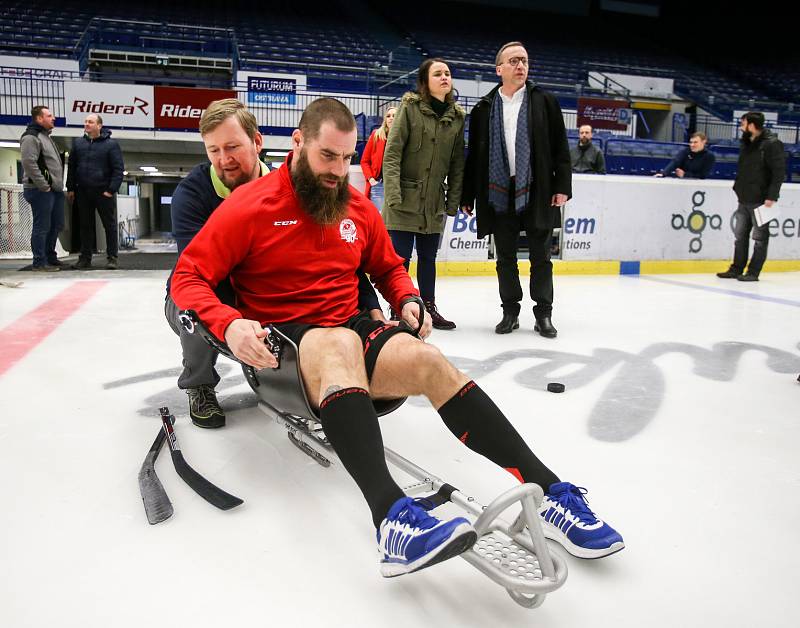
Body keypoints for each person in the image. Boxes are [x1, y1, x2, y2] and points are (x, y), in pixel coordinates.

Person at [171, 97, 623, 577]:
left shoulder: (354, 206)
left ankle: (550, 493)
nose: (338, 171)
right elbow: (188, 277)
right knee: (339, 342)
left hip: (348, 330)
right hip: (283, 350)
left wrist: (406, 297)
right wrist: (229, 322)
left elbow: (386, 266)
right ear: (298, 143)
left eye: (347, 159)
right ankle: (390, 517)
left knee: (428, 360)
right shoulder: (249, 206)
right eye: (328, 157)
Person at [165, 98, 385, 429]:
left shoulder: (298, 184)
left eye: (233, 147)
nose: (224, 160)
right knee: (192, 311)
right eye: (213, 150)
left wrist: (369, 305)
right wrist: (236, 324)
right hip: (221, 288)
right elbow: (200, 277)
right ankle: (198, 382)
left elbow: (344, 256)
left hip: (266, 288)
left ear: (257, 142)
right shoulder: (191, 196)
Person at [461, 42, 571, 338]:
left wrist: (562, 186)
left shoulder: (544, 101)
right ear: (499, 70)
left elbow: (560, 145)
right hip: (498, 192)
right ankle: (510, 312)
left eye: (524, 60)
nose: (520, 66)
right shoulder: (484, 108)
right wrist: (467, 195)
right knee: (505, 257)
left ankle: (543, 314)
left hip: (537, 190)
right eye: (513, 61)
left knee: (541, 257)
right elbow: (475, 157)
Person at [382, 58, 465, 330]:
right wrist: (393, 194)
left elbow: (456, 164)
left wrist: (452, 202)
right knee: (400, 260)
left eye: (448, 73)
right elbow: (392, 153)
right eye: (438, 73)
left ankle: (428, 308)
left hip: (433, 203)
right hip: (404, 199)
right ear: (425, 81)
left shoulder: (456, 118)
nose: (444, 77)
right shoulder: (410, 108)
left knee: (429, 259)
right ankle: (398, 308)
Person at [717, 112, 785, 282]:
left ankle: (753, 271)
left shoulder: (772, 144)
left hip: (762, 200)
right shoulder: (746, 143)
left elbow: (778, 172)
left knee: (760, 237)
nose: (741, 126)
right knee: (740, 236)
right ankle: (736, 268)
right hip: (744, 197)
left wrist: (772, 196)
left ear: (752, 125)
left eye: (743, 123)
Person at [66, 114, 125, 270]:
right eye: (85, 121)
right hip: (83, 192)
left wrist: (111, 190)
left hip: (103, 192)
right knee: (85, 226)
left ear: (99, 125)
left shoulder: (111, 145)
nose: (87, 124)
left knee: (109, 226)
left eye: (90, 122)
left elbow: (118, 169)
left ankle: (112, 258)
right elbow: (71, 167)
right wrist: (71, 187)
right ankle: (85, 258)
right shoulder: (78, 144)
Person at [20, 105, 65, 272]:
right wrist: (44, 186)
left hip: (54, 190)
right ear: (39, 118)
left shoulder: (45, 136)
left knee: (56, 224)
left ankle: (50, 257)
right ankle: (39, 262)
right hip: (40, 190)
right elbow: (29, 163)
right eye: (49, 115)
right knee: (42, 226)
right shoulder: (31, 137)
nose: (53, 118)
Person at [360, 106, 396, 208]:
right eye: (388, 116)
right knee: (379, 220)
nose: (391, 118)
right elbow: (364, 161)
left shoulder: (404, 138)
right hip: (378, 185)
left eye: (394, 116)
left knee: (394, 222)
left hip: (396, 187)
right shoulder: (376, 135)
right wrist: (371, 180)